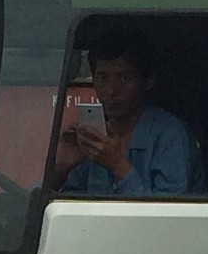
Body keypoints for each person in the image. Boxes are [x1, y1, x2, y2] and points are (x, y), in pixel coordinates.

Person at [48, 25, 196, 197]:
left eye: (124, 78)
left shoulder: (170, 136)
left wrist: (118, 166)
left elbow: (171, 211)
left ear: (148, 81)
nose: (111, 90)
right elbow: (48, 203)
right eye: (102, 78)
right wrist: (61, 167)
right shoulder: (94, 139)